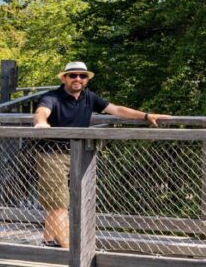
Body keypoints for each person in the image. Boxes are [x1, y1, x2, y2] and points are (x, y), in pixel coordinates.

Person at [32, 61, 169, 248]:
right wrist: (41, 123)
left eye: (82, 76)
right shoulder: (52, 96)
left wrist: (145, 116)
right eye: (73, 75)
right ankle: (69, 249)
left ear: (87, 79)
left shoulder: (89, 97)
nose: (78, 79)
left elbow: (117, 110)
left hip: (76, 154)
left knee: (59, 200)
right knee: (58, 203)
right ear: (64, 78)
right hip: (51, 154)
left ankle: (48, 241)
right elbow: (42, 111)